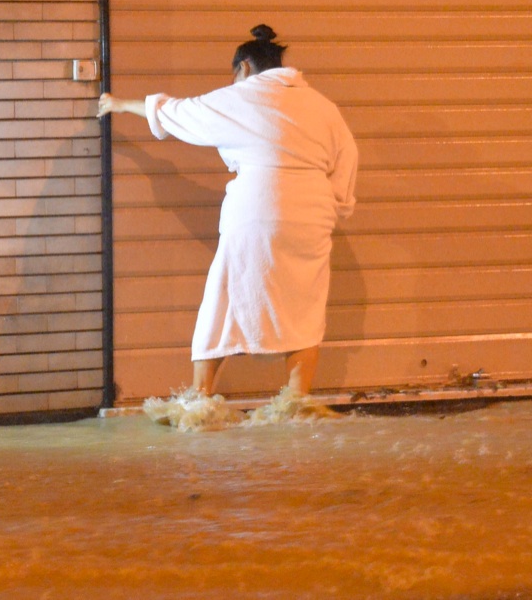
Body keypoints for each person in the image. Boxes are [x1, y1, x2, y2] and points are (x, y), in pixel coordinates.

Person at [97, 25, 358, 399]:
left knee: (224, 298)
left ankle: (199, 399)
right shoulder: (323, 107)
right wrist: (332, 206)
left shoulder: (242, 97)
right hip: (313, 214)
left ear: (245, 68)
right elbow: (346, 163)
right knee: (304, 305)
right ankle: (298, 400)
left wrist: (120, 104)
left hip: (257, 208)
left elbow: (175, 112)